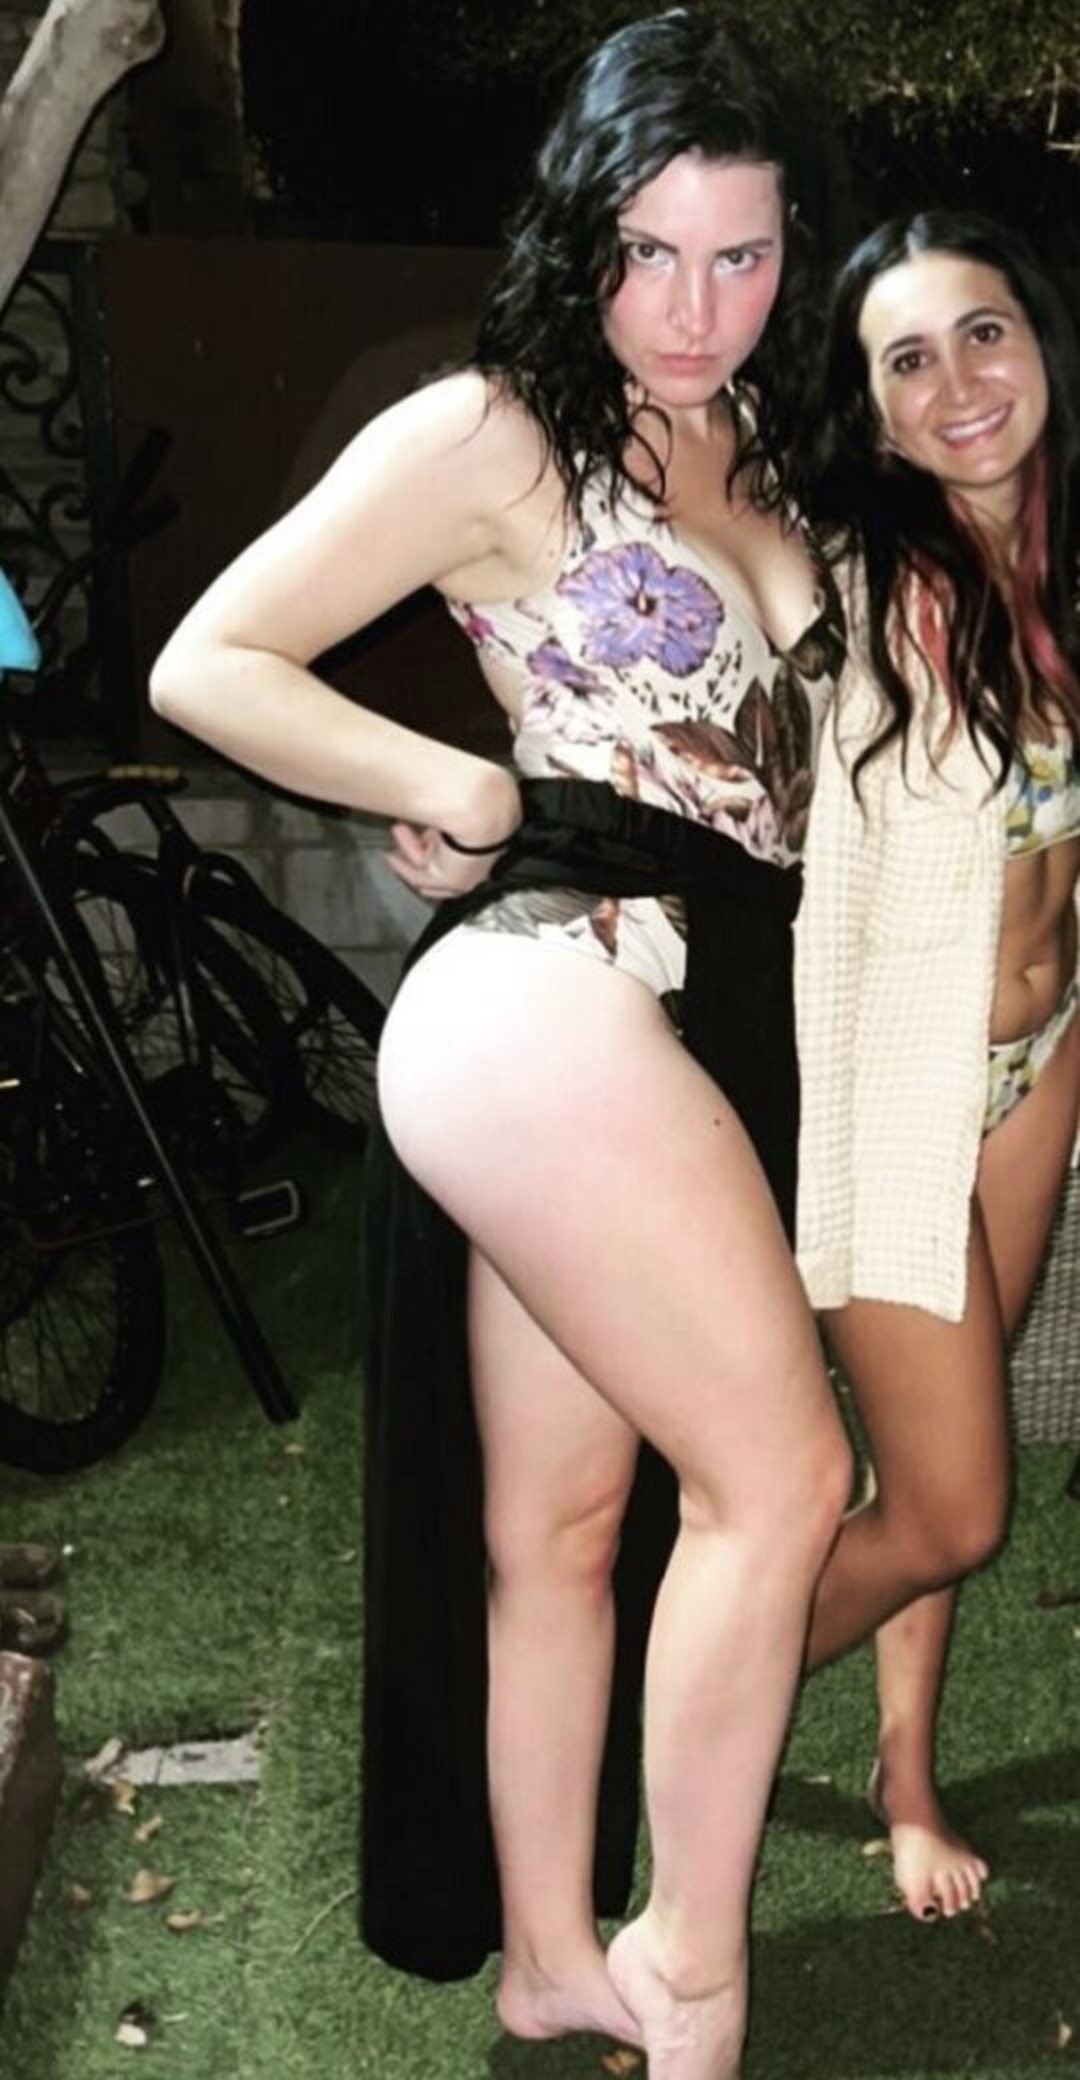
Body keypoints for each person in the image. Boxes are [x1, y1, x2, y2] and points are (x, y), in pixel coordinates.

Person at [151, 13, 852, 2072]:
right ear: (580, 230)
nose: (695, 308)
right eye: (651, 251)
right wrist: (442, 781)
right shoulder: (493, 431)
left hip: (702, 1012)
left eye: (742, 254)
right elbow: (210, 656)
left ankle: (549, 1956)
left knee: (562, 1528)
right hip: (555, 987)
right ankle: (691, 1973)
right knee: (784, 1476)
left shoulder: (768, 436)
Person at [795, 210, 1080, 1924]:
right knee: (955, 1508)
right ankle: (643, 1698)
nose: (959, 381)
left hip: (1042, 1067)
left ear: (1040, 340)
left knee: (930, 1471)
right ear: (874, 410)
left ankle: (905, 1774)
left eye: (984, 331)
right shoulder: (856, 582)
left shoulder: (1062, 569)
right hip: (897, 1087)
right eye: (908, 358)